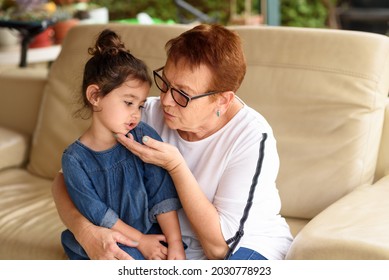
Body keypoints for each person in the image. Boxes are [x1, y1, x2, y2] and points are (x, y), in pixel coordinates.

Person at [52, 24, 293, 260]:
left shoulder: (250, 137)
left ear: (222, 100)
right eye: (165, 82)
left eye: (182, 94)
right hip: (167, 245)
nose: (165, 100)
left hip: (246, 245)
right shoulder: (141, 115)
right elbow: (64, 180)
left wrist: (176, 167)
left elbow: (219, 250)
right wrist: (86, 233)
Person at [59, 29, 185, 260]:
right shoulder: (74, 160)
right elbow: (98, 214)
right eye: (128, 102)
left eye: (140, 106)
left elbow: (161, 194)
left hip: (152, 233)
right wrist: (140, 242)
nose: (135, 114)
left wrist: (175, 243)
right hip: (112, 238)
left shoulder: (143, 136)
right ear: (95, 96)